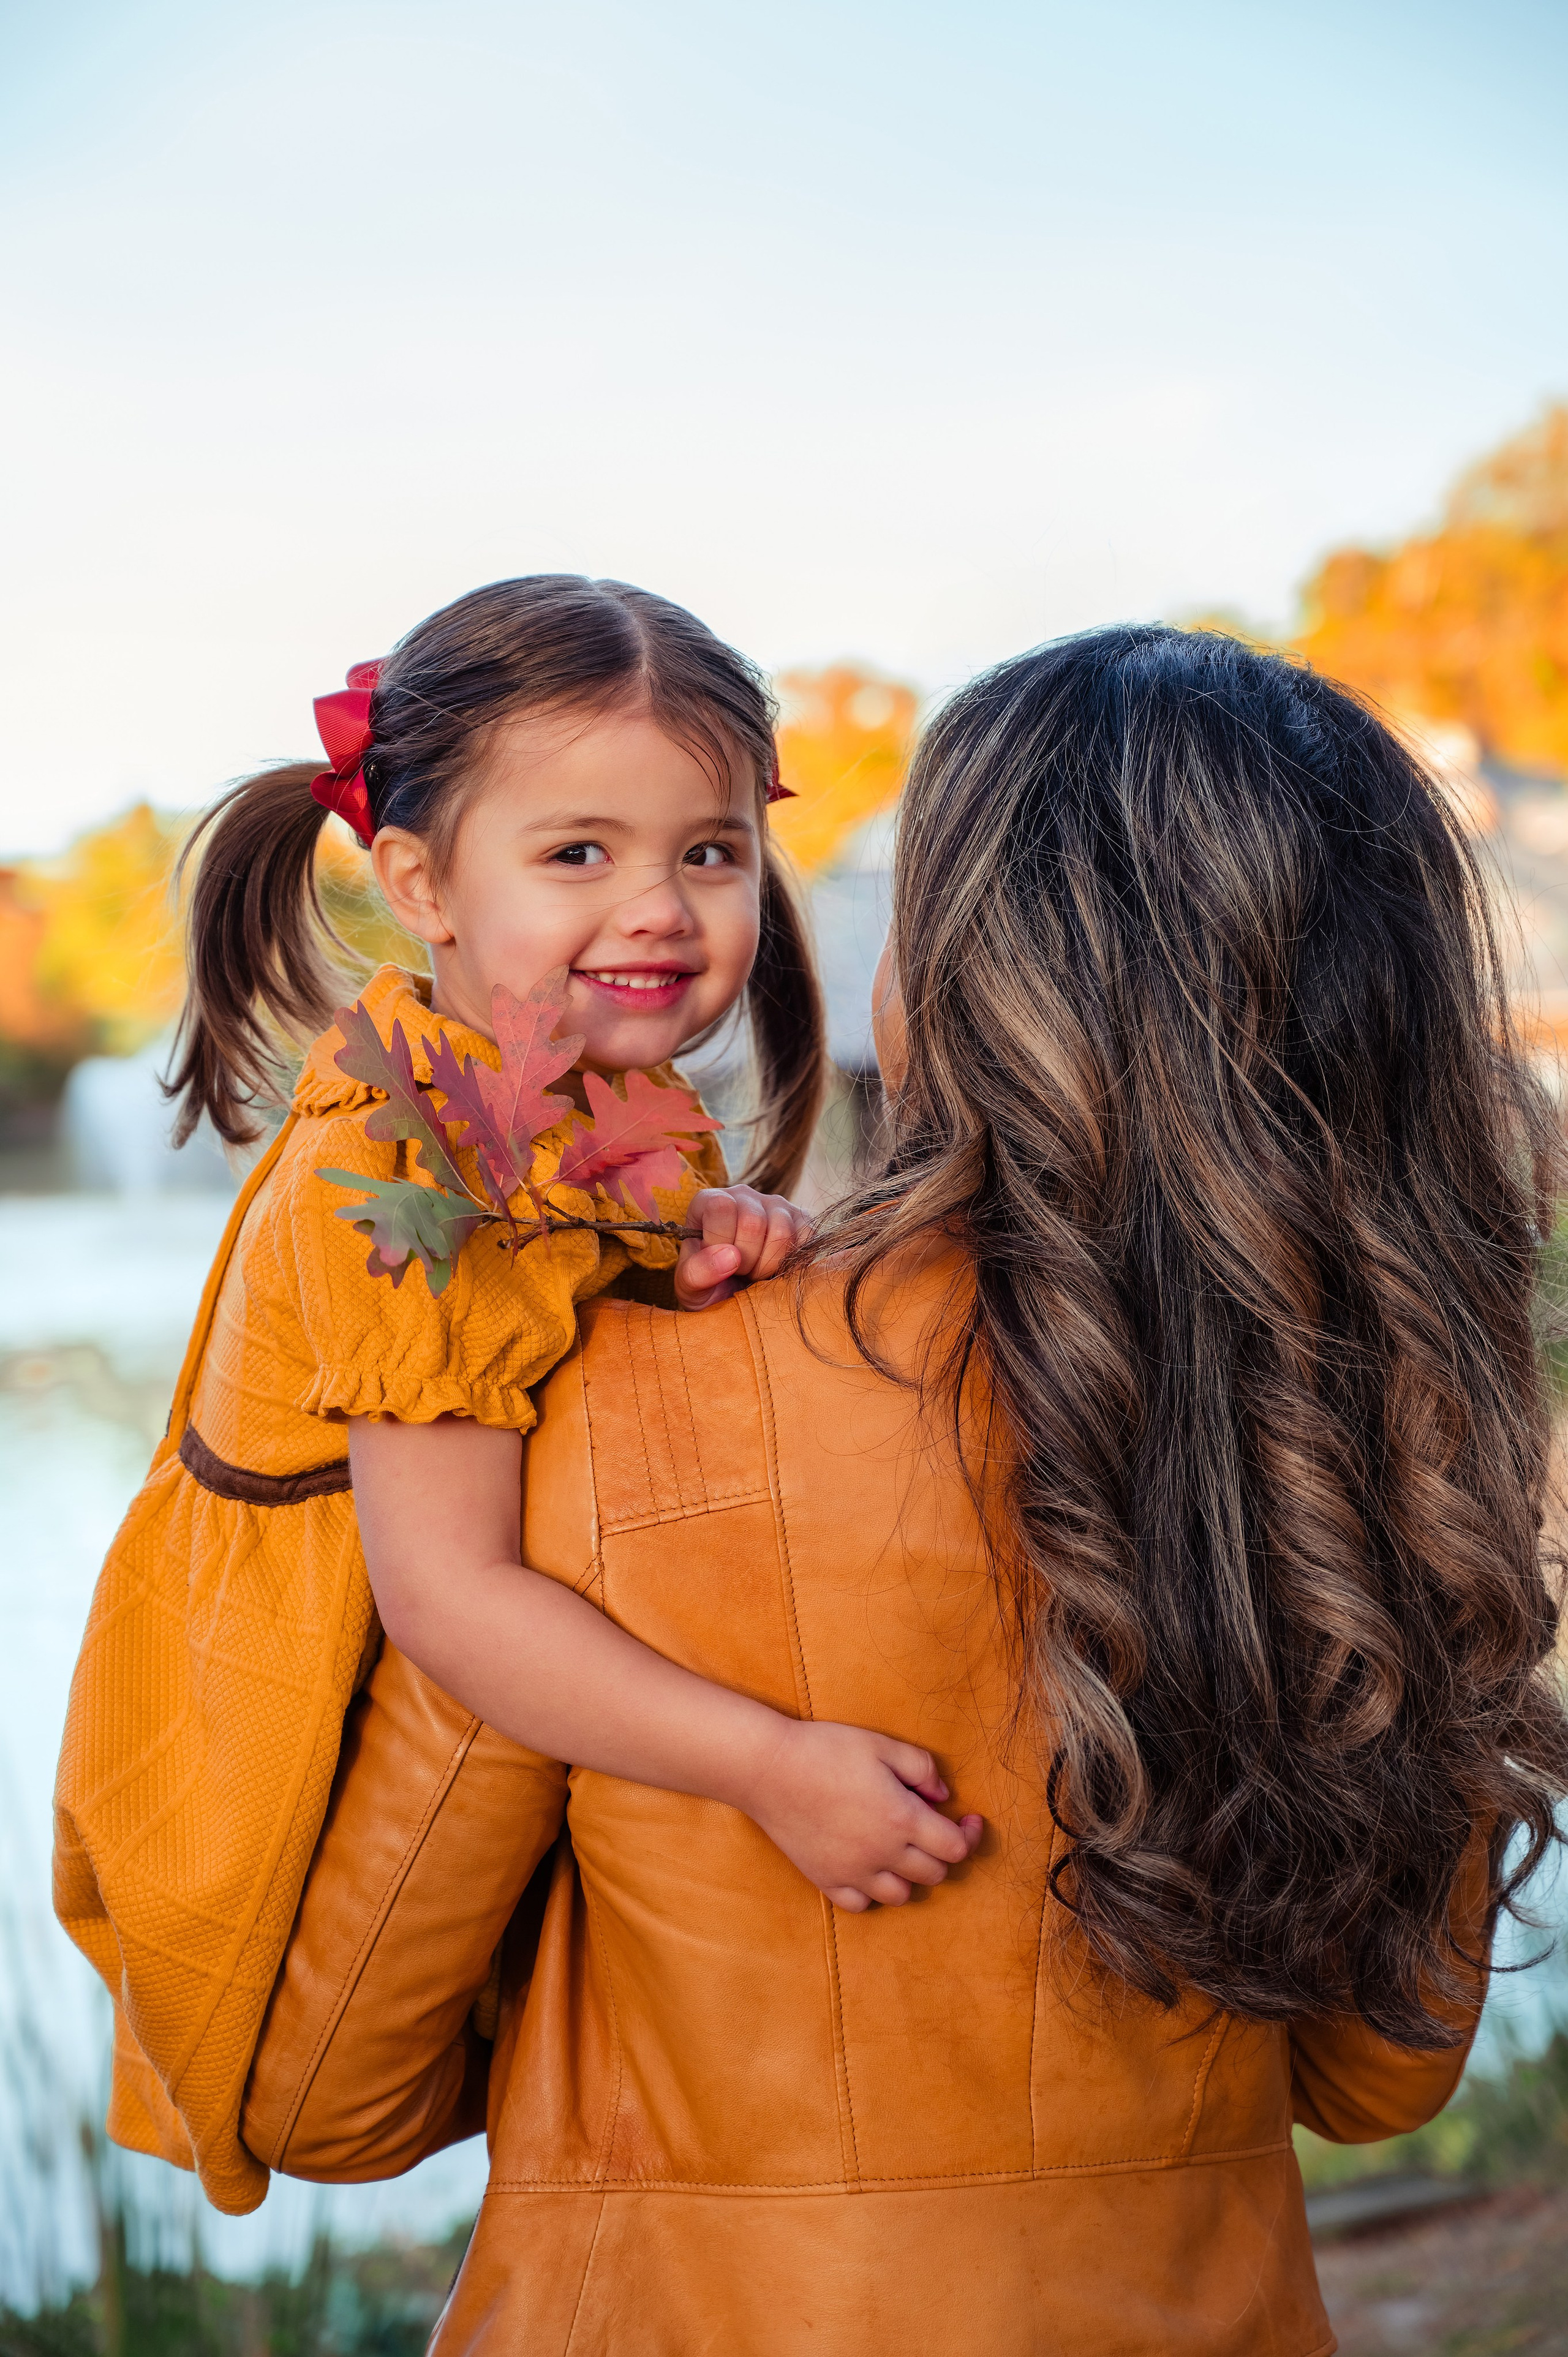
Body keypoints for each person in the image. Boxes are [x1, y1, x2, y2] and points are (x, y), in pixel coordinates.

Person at [243, 625, 1567, 2353]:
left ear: (951, 970)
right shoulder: (1376, 1442)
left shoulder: (607, 1390)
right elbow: (1381, 2073)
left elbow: (327, 2088)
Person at [53, 576, 978, 2217]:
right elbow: (457, 1602)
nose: (663, 907)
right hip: (306, 1711)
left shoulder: (593, 1103)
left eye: (708, 851)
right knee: (328, 2093)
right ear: (421, 883)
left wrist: (707, 1235)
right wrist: (772, 1764)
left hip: (476, 1691)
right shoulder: (414, 1170)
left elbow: (584, 1304)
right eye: (578, 855)